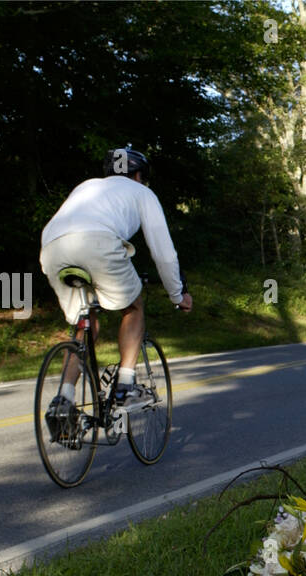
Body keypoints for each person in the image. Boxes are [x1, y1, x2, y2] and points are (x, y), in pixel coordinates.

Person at [38, 145, 192, 431]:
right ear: (138, 175)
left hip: (52, 246)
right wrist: (177, 294)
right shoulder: (142, 192)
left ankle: (64, 399)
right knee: (133, 307)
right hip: (97, 242)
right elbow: (163, 252)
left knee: (85, 325)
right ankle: (125, 386)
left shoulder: (87, 187)